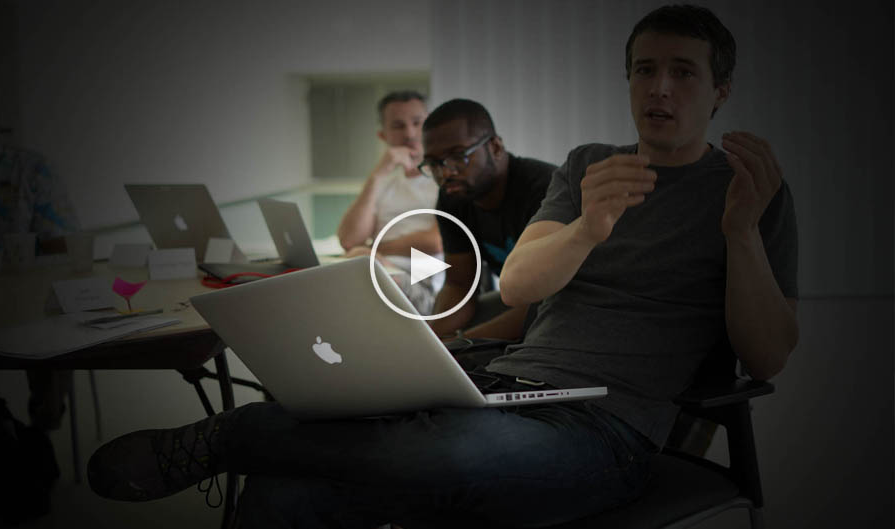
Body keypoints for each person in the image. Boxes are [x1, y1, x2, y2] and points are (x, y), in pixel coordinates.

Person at [86, 5, 798, 527]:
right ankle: (255, 443)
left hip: (607, 430)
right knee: (287, 492)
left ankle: (227, 435)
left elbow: (767, 356)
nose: (660, 88)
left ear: (720, 89)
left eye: (683, 72)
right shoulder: (588, 165)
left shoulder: (749, 190)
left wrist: (740, 232)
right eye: (645, 69)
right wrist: (588, 228)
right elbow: (518, 283)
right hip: (502, 387)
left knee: (442, 450)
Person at [0, 66, 80, 431]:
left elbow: (64, 246)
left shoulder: (30, 169)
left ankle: (42, 421)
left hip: (28, 298)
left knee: (54, 311)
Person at [420, 99, 557, 340]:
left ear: (495, 147)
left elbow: (547, 301)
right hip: (525, 303)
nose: (445, 173)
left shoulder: (546, 189)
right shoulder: (453, 197)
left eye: (458, 156)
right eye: (434, 164)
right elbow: (459, 285)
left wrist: (461, 346)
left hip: (577, 304)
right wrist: (431, 343)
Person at [337, 90, 442, 315]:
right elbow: (349, 239)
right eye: (398, 126)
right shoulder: (384, 182)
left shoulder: (445, 178)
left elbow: (435, 241)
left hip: (423, 285)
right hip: (377, 271)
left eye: (417, 123)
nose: (410, 133)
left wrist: (372, 250)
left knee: (358, 265)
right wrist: (378, 175)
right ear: (383, 135)